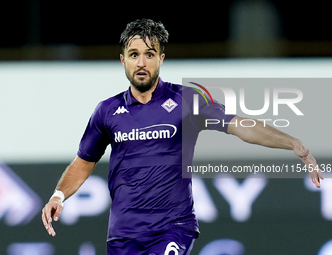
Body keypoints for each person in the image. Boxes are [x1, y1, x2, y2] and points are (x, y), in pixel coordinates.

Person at [42, 18, 324, 255]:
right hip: (122, 235)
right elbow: (84, 161)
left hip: (173, 227)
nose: (142, 62)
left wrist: (293, 143)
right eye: (134, 54)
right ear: (123, 60)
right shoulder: (107, 111)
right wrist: (58, 195)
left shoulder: (187, 100)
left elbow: (239, 125)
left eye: (149, 54)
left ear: (161, 59)